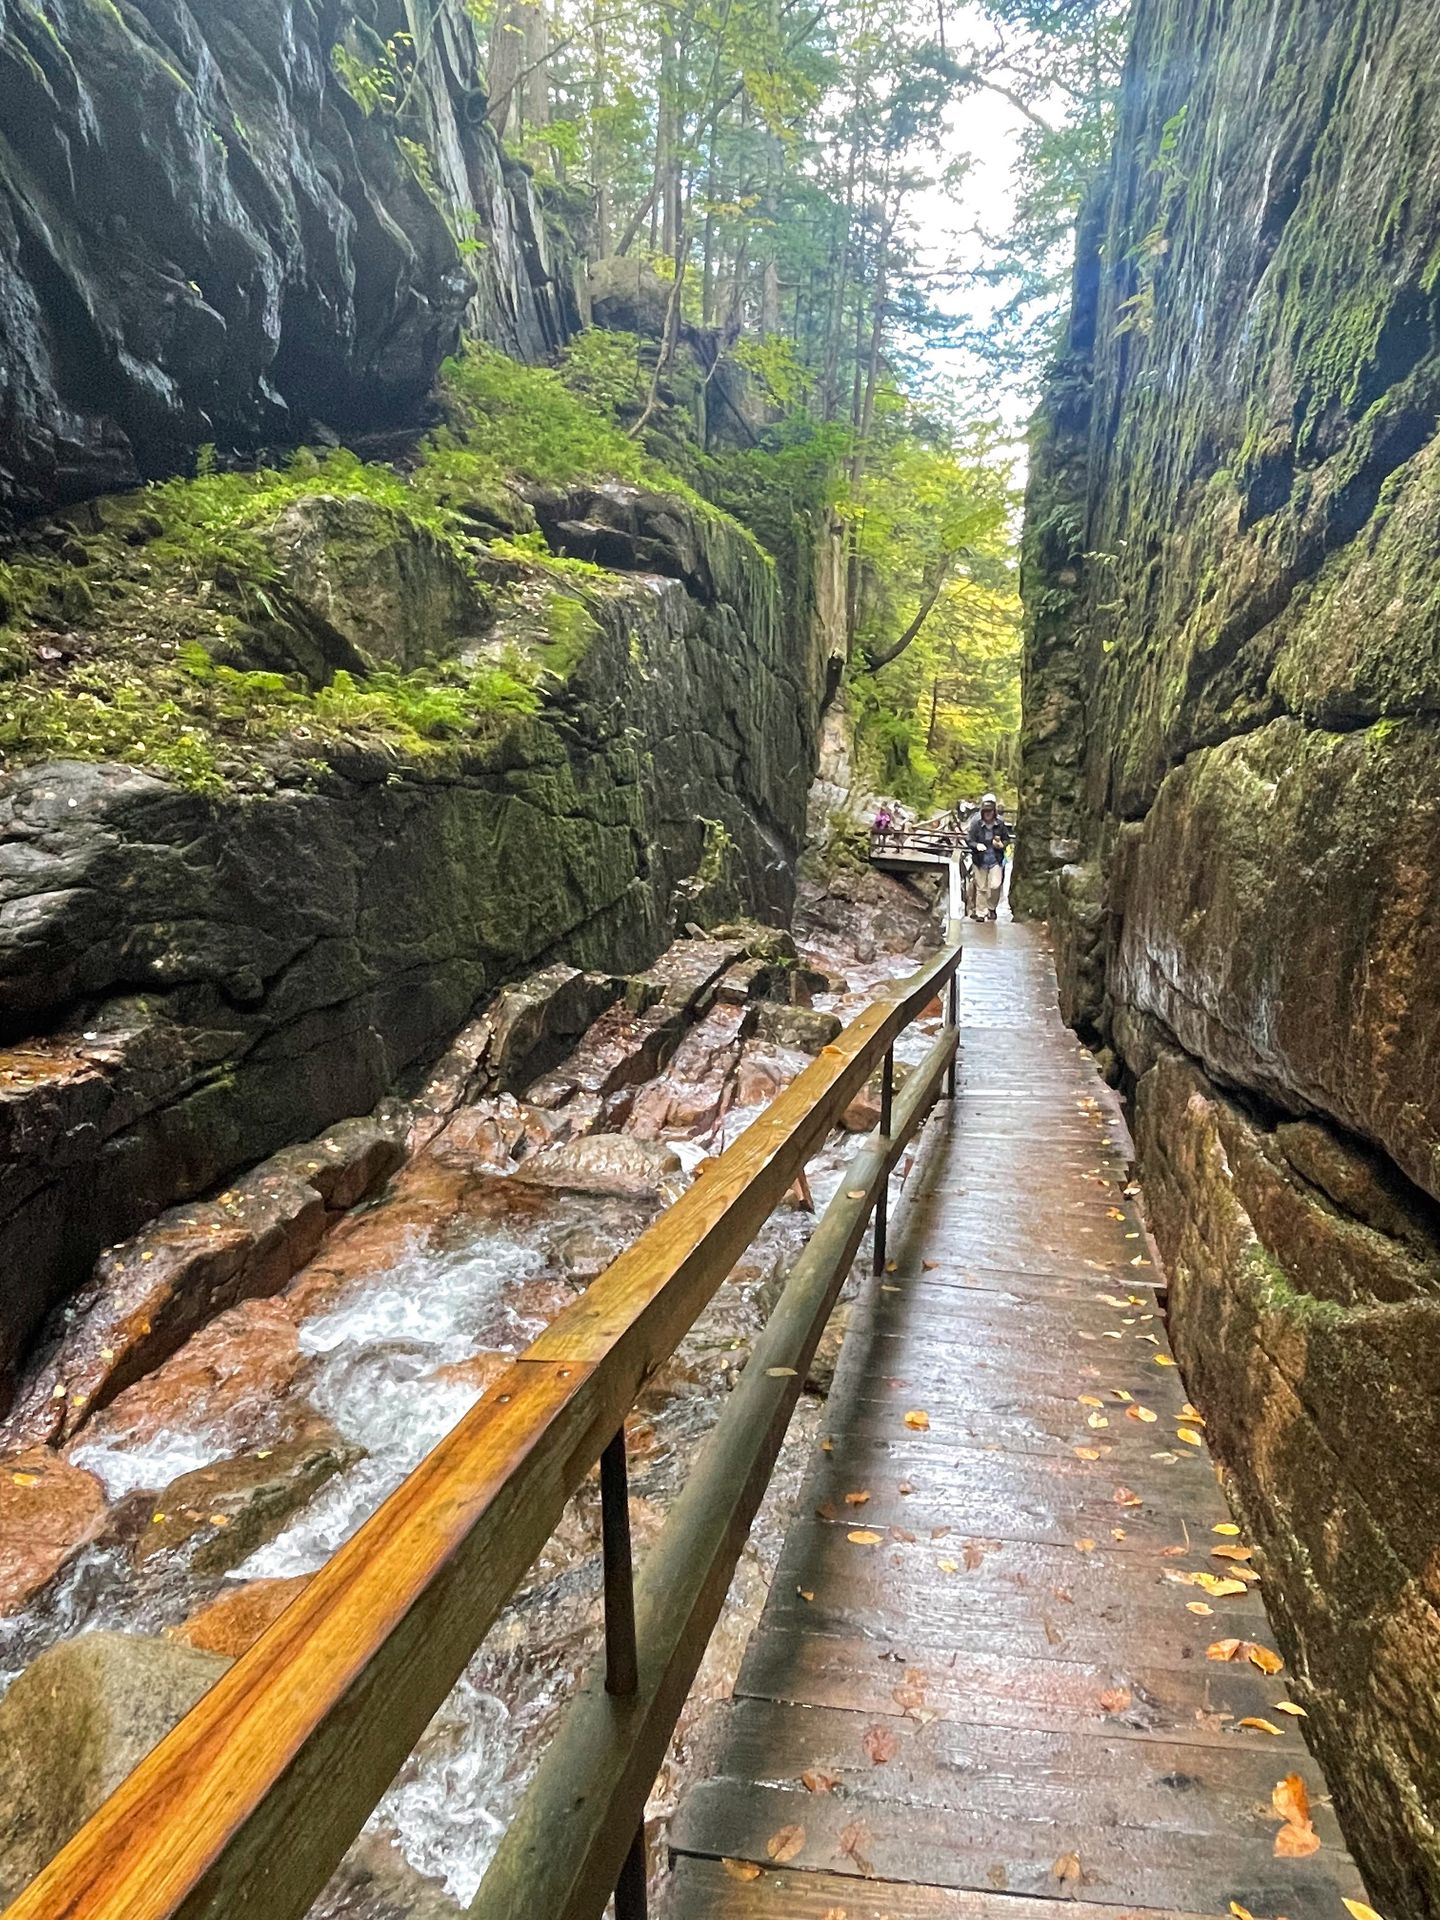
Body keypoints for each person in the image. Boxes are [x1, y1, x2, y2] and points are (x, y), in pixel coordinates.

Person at [965, 793, 1009, 921]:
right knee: (981, 888)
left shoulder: (1000, 823)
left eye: (990, 811)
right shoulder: (976, 823)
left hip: (995, 859)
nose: (987, 814)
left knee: (995, 885)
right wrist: (976, 845)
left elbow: (1007, 839)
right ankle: (981, 913)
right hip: (980, 860)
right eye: (985, 811)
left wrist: (1002, 844)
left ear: (994, 811)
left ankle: (991, 908)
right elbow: (969, 838)